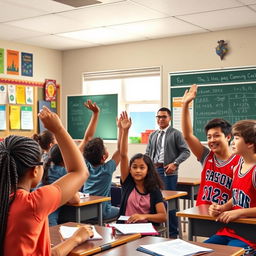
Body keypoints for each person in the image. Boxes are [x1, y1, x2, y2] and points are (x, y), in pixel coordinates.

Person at [0, 106, 93, 256]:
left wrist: (75, 239)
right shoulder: (32, 204)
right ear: (34, 170)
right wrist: (58, 129)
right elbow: (80, 171)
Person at [181, 84, 241, 206]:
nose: (212, 140)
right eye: (209, 137)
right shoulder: (206, 156)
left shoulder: (240, 161)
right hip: (201, 213)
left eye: (216, 135)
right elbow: (188, 135)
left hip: (225, 215)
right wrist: (185, 105)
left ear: (228, 137)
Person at [206, 119, 256, 253]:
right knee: (199, 250)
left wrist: (239, 212)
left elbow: (241, 207)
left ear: (250, 143)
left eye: (237, 138)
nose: (232, 142)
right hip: (230, 230)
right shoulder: (237, 168)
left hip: (250, 236)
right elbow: (237, 197)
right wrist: (222, 208)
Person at [146, 107, 190, 237]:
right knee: (154, 201)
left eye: (164, 117)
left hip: (168, 172)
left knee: (169, 203)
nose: (161, 119)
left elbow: (186, 151)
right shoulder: (153, 134)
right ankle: (156, 231)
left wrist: (175, 164)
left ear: (169, 118)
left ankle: (172, 233)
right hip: (153, 171)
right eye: (158, 117)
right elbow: (148, 153)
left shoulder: (175, 133)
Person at [119, 111, 167, 225]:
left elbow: (163, 216)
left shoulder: (153, 190)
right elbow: (123, 155)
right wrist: (125, 131)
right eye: (134, 167)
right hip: (125, 229)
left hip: (146, 230)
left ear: (148, 170)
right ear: (130, 169)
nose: (138, 170)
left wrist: (143, 216)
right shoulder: (128, 182)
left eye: (142, 167)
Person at [79, 100, 121, 220]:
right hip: (103, 211)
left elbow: (87, 138)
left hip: (85, 210)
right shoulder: (106, 170)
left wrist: (95, 114)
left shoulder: (85, 166)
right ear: (104, 157)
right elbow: (120, 151)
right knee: (123, 210)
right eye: (106, 148)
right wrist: (122, 130)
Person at [41, 144, 80, 226]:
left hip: (38, 217)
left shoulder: (45, 168)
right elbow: (75, 200)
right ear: (66, 158)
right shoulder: (63, 172)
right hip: (49, 221)